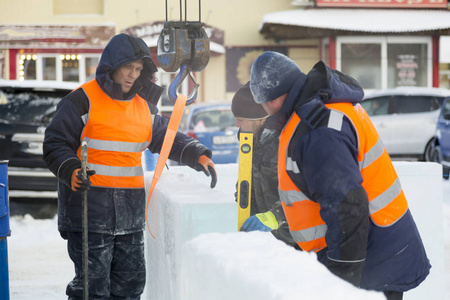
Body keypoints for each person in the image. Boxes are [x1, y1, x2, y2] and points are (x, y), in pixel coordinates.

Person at [43, 33, 217, 299]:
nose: (133, 75)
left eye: (138, 70)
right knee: (92, 291)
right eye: (128, 67)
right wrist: (71, 170)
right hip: (89, 212)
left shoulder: (144, 109)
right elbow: (55, 143)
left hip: (130, 216)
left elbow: (165, 137)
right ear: (112, 66)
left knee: (130, 289)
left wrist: (197, 154)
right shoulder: (81, 101)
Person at [249, 51, 430, 300]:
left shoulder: (317, 131)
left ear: (271, 98)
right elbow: (321, 189)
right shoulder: (321, 110)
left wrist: (339, 286)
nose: (264, 110)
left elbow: (348, 206)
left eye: (262, 102)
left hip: (367, 262)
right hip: (374, 251)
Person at [231, 82, 297, 247]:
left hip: (302, 243)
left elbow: (308, 192)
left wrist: (276, 215)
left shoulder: (288, 143)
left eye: (240, 120)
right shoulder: (251, 141)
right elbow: (250, 187)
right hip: (273, 243)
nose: (236, 125)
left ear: (261, 119)